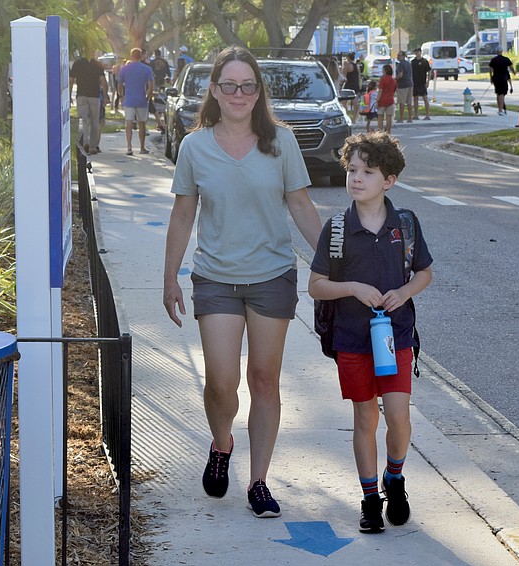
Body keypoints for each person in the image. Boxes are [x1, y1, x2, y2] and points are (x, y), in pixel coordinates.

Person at [162, 45, 323, 519]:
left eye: (247, 86)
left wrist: (334, 262)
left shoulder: (281, 142)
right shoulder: (194, 147)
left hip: (272, 275)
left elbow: (301, 206)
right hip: (215, 277)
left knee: (264, 379)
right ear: (214, 90)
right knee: (222, 382)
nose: (238, 93)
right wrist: (169, 275)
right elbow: (183, 212)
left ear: (258, 93)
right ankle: (221, 442)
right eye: (229, 85)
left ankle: (258, 481)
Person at [308, 131, 433, 534]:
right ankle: (369, 499)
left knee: (398, 418)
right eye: (352, 170)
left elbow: (425, 273)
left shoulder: (406, 224)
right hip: (352, 338)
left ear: (389, 180)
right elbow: (316, 285)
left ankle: (394, 477)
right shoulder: (338, 228)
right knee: (365, 417)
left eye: (368, 171)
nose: (356, 178)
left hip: (395, 335)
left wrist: (404, 291)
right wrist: (353, 288)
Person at [118, 48, 155, 155]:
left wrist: (121, 96)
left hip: (129, 99)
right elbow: (151, 86)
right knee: (142, 124)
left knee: (128, 123)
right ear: (141, 56)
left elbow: (119, 84)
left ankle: (129, 147)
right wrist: (147, 96)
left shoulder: (125, 69)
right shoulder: (147, 69)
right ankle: (142, 147)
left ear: (131, 56)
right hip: (141, 100)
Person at [70, 53, 108, 154]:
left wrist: (69, 95)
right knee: (95, 121)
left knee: (83, 121)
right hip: (94, 96)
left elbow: (71, 80)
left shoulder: (77, 64)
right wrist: (105, 95)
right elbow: (103, 81)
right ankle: (93, 146)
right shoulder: (97, 65)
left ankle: (84, 143)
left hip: (81, 95)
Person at [488, 48, 515, 115]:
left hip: (496, 78)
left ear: (497, 52)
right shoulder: (505, 59)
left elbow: (490, 70)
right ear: (502, 51)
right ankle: (500, 110)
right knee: (502, 94)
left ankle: (499, 109)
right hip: (503, 78)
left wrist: (491, 78)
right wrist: (514, 72)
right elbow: (511, 67)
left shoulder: (493, 60)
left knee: (498, 93)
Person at [410, 48, 431, 120]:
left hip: (422, 83)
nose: (417, 53)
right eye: (415, 52)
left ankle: (427, 115)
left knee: (425, 98)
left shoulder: (424, 61)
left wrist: (428, 81)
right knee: (415, 98)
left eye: (418, 52)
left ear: (420, 52)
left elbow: (429, 71)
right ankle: (416, 115)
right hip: (415, 82)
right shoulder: (413, 62)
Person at [376, 64, 397, 133]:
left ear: (385, 71)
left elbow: (380, 90)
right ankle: (388, 132)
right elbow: (394, 91)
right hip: (390, 100)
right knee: (389, 118)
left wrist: (377, 100)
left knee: (380, 117)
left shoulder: (383, 79)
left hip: (382, 100)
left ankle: (380, 132)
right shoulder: (393, 80)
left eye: (383, 70)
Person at [394, 51, 413, 123]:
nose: (397, 56)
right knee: (409, 102)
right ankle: (410, 118)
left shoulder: (400, 64)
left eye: (399, 55)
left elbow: (400, 74)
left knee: (401, 102)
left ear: (403, 56)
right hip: (410, 84)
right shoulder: (408, 63)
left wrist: (394, 79)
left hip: (402, 85)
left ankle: (401, 118)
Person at [342, 52, 362, 121]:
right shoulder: (357, 66)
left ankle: (346, 116)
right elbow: (359, 77)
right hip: (355, 85)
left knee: (344, 102)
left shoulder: (347, 65)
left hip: (348, 85)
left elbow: (343, 76)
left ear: (348, 58)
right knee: (355, 103)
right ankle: (354, 118)